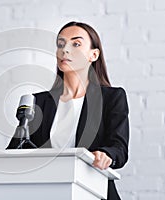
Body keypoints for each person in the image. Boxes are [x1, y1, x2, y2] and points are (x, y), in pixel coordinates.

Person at [7, 21, 129, 200]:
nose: (65, 50)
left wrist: (107, 155)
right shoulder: (38, 102)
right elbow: (15, 151)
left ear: (93, 55)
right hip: (45, 193)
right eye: (61, 44)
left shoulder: (112, 98)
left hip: (94, 192)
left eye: (76, 44)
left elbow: (119, 148)